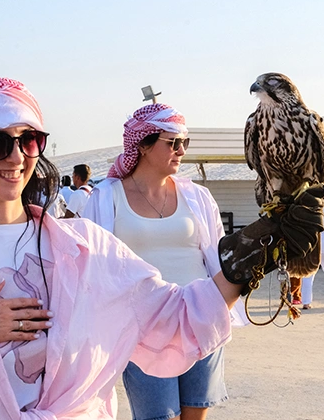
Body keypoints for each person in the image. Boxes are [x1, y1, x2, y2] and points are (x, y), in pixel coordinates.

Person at [0, 76, 297, 419]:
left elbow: (172, 317)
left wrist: (244, 265)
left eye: (29, 140)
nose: (17, 157)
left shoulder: (85, 248)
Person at [83, 103, 245, 420]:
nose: (181, 151)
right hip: (144, 326)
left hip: (201, 315)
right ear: (143, 145)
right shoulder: (106, 197)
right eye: (172, 143)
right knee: (158, 416)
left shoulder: (197, 196)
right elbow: (94, 269)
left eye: (185, 142)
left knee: (195, 413)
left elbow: (217, 257)